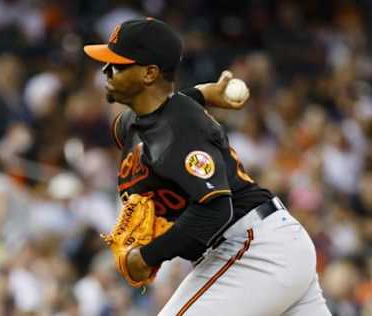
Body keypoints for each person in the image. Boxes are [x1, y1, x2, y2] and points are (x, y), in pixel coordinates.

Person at [84, 18, 331, 316]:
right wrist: (201, 94)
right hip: (269, 245)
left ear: (149, 73)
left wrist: (148, 256)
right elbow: (163, 110)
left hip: (253, 249)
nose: (106, 71)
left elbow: (215, 209)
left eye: (118, 65)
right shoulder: (131, 123)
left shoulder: (181, 132)